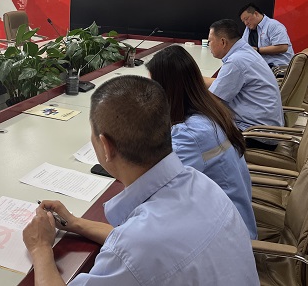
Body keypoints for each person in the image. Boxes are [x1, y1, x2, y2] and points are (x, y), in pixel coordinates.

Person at [23, 75, 259, 286]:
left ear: (106, 146)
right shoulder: (201, 184)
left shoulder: (135, 249)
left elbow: (135, 249)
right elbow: (143, 243)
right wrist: (76, 223)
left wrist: (40, 248)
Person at [146, 44, 257, 239]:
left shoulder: (191, 134)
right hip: (229, 218)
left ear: (167, 90)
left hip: (225, 240)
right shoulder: (211, 113)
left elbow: (155, 190)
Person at [205, 19, 283, 149]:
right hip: (266, 130)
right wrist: (193, 78)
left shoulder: (236, 62)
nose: (209, 45)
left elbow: (211, 101)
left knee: (195, 131)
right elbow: (222, 83)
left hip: (254, 136)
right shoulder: (245, 52)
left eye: (210, 41)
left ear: (223, 42)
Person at [238, 2, 294, 67]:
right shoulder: (248, 29)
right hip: (262, 66)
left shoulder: (273, 25)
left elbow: (282, 47)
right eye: (243, 21)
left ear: (256, 14)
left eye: (246, 19)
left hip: (279, 66)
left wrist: (257, 50)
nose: (246, 23)